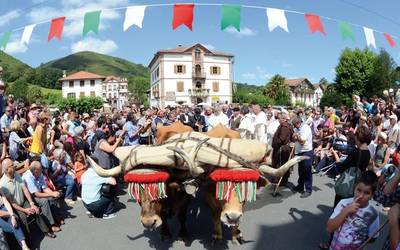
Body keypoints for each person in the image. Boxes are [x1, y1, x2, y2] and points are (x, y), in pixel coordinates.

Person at [0, 159, 56, 239]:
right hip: (16, 207)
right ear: (7, 169)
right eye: (12, 165)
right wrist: (25, 210)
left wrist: (31, 203)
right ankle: (28, 240)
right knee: (22, 219)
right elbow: (12, 203)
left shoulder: (16, 174)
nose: (14, 166)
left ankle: (46, 231)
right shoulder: (2, 184)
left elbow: (25, 189)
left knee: (35, 210)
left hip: (23, 201)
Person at [325, 171, 379, 250]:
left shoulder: (373, 214)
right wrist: (345, 211)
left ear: (372, 195)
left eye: (366, 193)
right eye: (359, 190)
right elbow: (329, 228)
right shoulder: (343, 203)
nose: (361, 196)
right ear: (354, 188)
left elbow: (373, 237)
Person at [22, 161, 62, 233]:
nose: (42, 170)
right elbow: (36, 194)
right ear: (35, 171)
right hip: (31, 196)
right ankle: (51, 225)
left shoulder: (39, 173)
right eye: (41, 169)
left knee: (52, 197)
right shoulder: (28, 177)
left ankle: (57, 217)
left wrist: (53, 193)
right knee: (44, 201)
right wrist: (52, 194)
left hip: (39, 192)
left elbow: (44, 188)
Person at [291, 117, 314, 198]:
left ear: (298, 123)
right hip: (299, 152)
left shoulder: (305, 128)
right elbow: (293, 138)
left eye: (294, 125)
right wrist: (295, 136)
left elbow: (302, 142)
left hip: (307, 151)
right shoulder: (297, 128)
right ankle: (300, 186)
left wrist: (297, 137)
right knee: (301, 170)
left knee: (307, 171)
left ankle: (308, 190)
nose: (294, 127)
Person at [271, 113, 293, 186]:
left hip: (282, 149)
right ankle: (280, 179)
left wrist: (275, 143)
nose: (278, 119)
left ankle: (282, 180)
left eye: (280, 118)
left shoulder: (285, 127)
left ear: (283, 119)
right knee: (281, 164)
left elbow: (281, 139)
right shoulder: (284, 125)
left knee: (281, 165)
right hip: (282, 148)